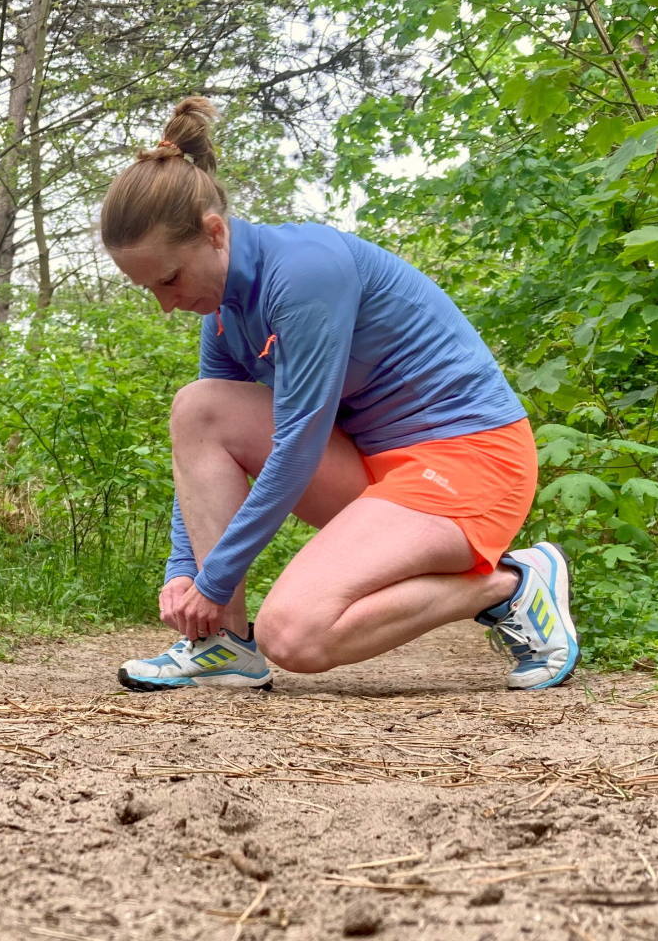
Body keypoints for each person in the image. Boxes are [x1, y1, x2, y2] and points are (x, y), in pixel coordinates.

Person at [101, 97, 578, 693]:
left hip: (470, 462)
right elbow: (200, 451)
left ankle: (512, 583)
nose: (166, 303)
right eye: (149, 290)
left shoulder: (304, 273)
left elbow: (298, 444)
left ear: (214, 232)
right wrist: (185, 572)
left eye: (169, 279)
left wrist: (214, 580)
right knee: (198, 405)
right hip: (378, 473)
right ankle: (221, 644)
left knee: (295, 635)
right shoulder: (222, 316)